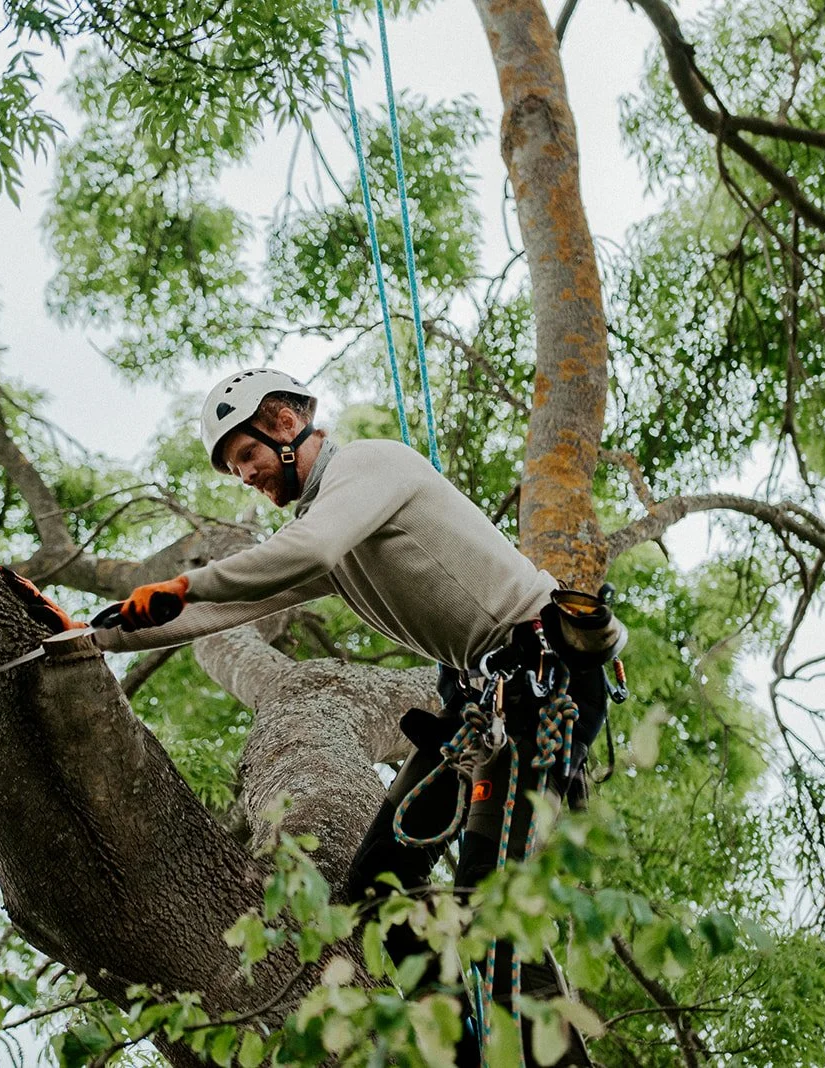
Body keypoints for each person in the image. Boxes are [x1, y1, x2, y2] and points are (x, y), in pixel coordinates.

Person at [98, 368, 623, 1067]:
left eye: (246, 456)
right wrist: (89, 635)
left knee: (487, 902)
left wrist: (185, 582)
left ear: (284, 423)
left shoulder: (372, 466)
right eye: (233, 468)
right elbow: (222, 610)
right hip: (479, 707)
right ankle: (468, 1053)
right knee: (379, 890)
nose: (244, 475)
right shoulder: (332, 529)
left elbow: (299, 553)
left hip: (543, 687)